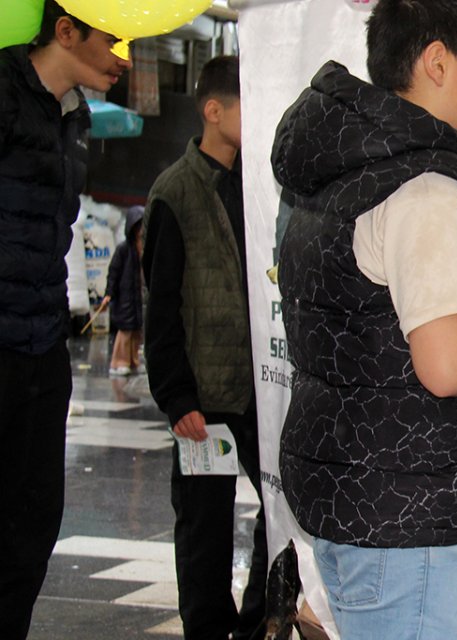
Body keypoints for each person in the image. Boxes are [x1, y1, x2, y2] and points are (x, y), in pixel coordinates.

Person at [270, 0, 457, 636]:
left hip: (364, 491)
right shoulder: (427, 185)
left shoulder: (345, 166)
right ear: (437, 62)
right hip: (413, 512)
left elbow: (368, 321)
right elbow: (448, 366)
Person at [0, 3, 130, 636]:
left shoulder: (75, 116)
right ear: (66, 30)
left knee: (36, 519)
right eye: (112, 39)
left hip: (43, 341)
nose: (121, 57)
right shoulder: (3, 89)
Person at [142, 56, 268, 640]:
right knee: (204, 533)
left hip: (260, 391)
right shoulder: (175, 191)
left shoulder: (258, 186)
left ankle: (258, 622)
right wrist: (175, 394)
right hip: (204, 399)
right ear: (213, 111)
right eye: (247, 103)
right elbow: (160, 306)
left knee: (282, 514)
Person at [104, 206, 144, 376]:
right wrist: (109, 293)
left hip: (136, 296)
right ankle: (119, 361)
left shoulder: (140, 247)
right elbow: (114, 272)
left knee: (135, 332)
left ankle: (133, 360)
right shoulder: (124, 249)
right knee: (126, 332)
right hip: (126, 297)